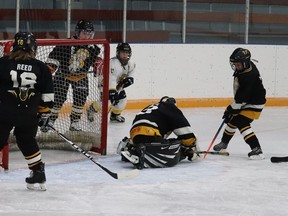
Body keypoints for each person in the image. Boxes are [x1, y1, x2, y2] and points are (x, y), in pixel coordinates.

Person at [0, 32, 54, 190]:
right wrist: (44, 113)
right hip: (29, 113)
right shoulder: (41, 67)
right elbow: (48, 95)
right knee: (26, 139)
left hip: (5, 111)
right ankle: (38, 172)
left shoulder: (3, 63)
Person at [44, 19, 100, 131]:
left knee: (80, 98)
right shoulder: (65, 44)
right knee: (58, 99)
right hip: (63, 75)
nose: (87, 37)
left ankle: (75, 122)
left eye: (89, 34)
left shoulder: (93, 48)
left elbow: (95, 61)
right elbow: (54, 57)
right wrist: (49, 69)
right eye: (84, 33)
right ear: (77, 32)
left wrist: (98, 63)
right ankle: (50, 120)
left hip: (81, 76)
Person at [117, 96, 199, 169]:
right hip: (150, 131)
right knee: (175, 147)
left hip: (135, 133)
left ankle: (132, 147)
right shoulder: (171, 108)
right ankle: (138, 153)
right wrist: (190, 148)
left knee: (149, 141)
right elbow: (184, 131)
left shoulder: (153, 107)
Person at [213, 48, 266, 160]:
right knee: (232, 121)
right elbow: (241, 98)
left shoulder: (248, 76)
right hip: (247, 100)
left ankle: (256, 149)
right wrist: (231, 111)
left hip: (254, 103)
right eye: (235, 64)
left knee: (241, 122)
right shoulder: (246, 67)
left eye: (238, 64)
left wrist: (230, 109)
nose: (236, 67)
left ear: (245, 63)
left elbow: (241, 98)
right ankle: (224, 143)